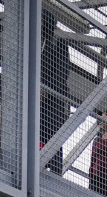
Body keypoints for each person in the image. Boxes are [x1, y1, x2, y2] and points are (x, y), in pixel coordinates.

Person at [39, 10, 70, 173]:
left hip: (53, 102)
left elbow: (62, 73)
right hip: (34, 100)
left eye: (42, 21)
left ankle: (56, 174)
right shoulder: (33, 42)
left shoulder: (58, 42)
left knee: (53, 137)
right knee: (35, 134)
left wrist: (47, 90)